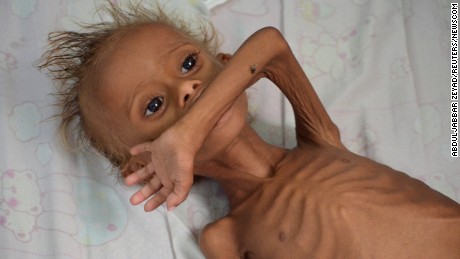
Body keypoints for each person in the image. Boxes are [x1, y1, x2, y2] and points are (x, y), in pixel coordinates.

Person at [39, 2, 460, 258]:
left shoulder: (320, 138)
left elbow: (271, 46)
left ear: (228, 64)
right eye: (154, 105)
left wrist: (186, 132)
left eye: (189, 64)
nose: (187, 88)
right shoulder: (224, 238)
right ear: (145, 161)